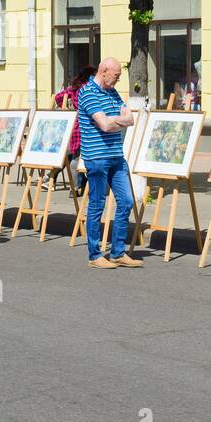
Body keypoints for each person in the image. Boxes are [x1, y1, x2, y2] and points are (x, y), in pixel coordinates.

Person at [78, 58, 142, 270]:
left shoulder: (112, 92)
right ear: (104, 71)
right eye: (116, 76)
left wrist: (115, 120)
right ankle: (94, 254)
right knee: (97, 204)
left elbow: (130, 119)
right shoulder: (87, 92)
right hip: (96, 158)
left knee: (126, 201)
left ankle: (117, 253)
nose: (117, 81)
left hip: (116, 156)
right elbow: (104, 125)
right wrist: (116, 120)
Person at [55, 66, 96, 192]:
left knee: (76, 157)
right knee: (80, 159)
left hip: (75, 125)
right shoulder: (89, 88)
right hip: (86, 125)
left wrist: (65, 107)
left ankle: (77, 187)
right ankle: (77, 187)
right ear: (89, 76)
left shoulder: (74, 88)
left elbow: (58, 97)